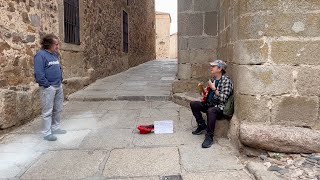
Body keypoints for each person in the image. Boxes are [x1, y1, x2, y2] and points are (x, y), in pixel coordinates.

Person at [190, 59, 233, 148]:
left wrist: (214, 89)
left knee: (211, 111)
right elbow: (208, 95)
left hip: (219, 108)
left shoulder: (226, 81)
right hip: (209, 104)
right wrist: (204, 92)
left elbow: (223, 98)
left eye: (213, 66)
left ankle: (209, 137)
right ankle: (202, 125)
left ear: (220, 68)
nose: (211, 68)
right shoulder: (213, 79)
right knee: (194, 104)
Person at [34, 34, 67, 141]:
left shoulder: (55, 55)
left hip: (58, 86)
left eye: (58, 44)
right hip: (48, 88)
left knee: (58, 109)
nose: (58, 46)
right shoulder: (40, 55)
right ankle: (46, 133)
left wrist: (60, 80)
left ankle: (56, 128)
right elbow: (39, 73)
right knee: (47, 111)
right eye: (56, 44)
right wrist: (47, 85)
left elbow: (58, 68)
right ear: (48, 44)